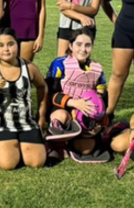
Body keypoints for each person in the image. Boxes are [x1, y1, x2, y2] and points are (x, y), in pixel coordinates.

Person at [0, 28, 48, 170]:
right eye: (1, 45)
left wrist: (41, 114)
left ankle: (24, 146)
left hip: (27, 123)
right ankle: (6, 147)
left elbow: (42, 86)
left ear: (18, 44)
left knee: (36, 163)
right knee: (7, 164)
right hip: (3, 126)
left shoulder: (29, 67)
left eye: (11, 44)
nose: (6, 49)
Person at [46, 29, 108, 160]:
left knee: (86, 149)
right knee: (60, 117)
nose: (83, 49)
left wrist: (99, 122)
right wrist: (75, 103)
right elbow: (51, 93)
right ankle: (57, 141)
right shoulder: (59, 64)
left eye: (87, 45)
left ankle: (74, 140)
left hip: (85, 114)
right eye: (79, 44)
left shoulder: (97, 69)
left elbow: (102, 98)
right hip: (62, 108)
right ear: (70, 45)